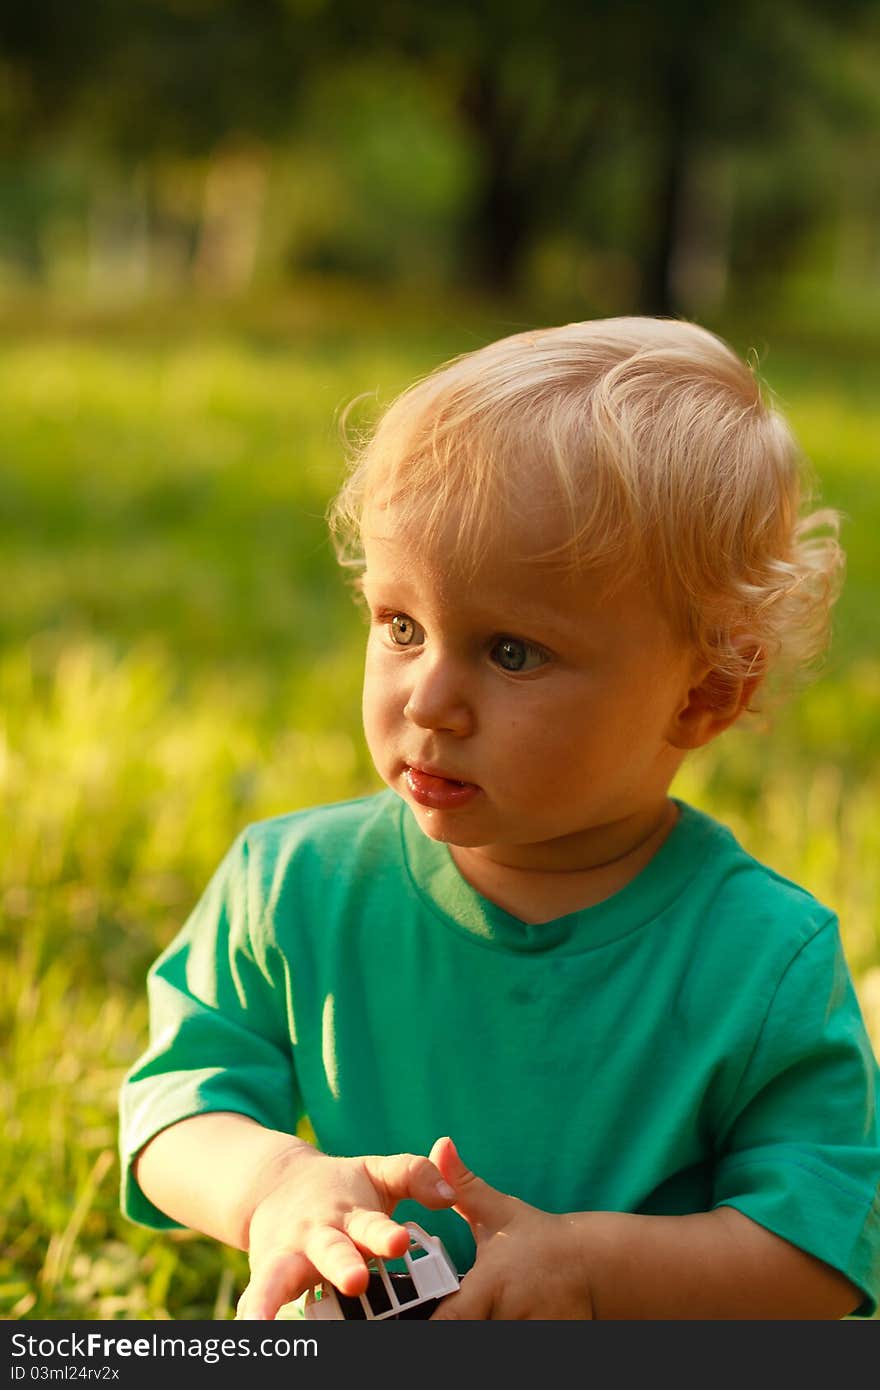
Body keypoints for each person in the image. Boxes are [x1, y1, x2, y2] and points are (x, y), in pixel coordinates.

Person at [118, 317, 880, 1320]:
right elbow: (178, 1104)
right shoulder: (292, 885)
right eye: (400, 626)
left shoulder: (761, 958)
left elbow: (821, 1247)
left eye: (511, 652)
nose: (428, 700)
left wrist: (589, 1271)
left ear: (702, 697)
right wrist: (275, 1186)